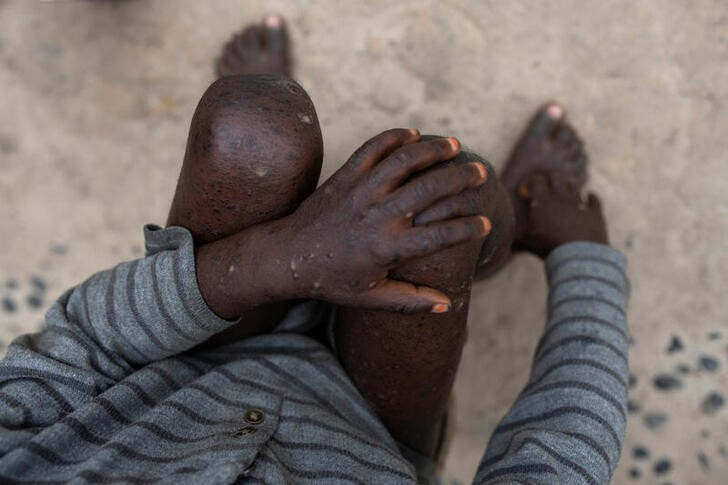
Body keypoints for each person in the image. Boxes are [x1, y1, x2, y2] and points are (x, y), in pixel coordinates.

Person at [0, 14, 629, 484]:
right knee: (448, 201)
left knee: (249, 124)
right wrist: (583, 260)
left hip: (192, 345)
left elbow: (81, 345)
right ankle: (520, 226)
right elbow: (555, 468)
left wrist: (287, 254)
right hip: (375, 417)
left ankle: (284, 181)